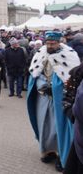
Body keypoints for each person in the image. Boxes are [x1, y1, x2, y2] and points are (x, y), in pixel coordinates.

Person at [27, 31, 80, 172]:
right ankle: (47, 151)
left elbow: (72, 79)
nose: (49, 46)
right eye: (48, 43)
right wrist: (41, 85)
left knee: (60, 127)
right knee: (44, 125)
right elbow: (35, 74)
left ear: (59, 42)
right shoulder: (40, 53)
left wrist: (55, 88)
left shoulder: (70, 55)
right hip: (43, 98)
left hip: (60, 99)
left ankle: (62, 157)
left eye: (52, 43)